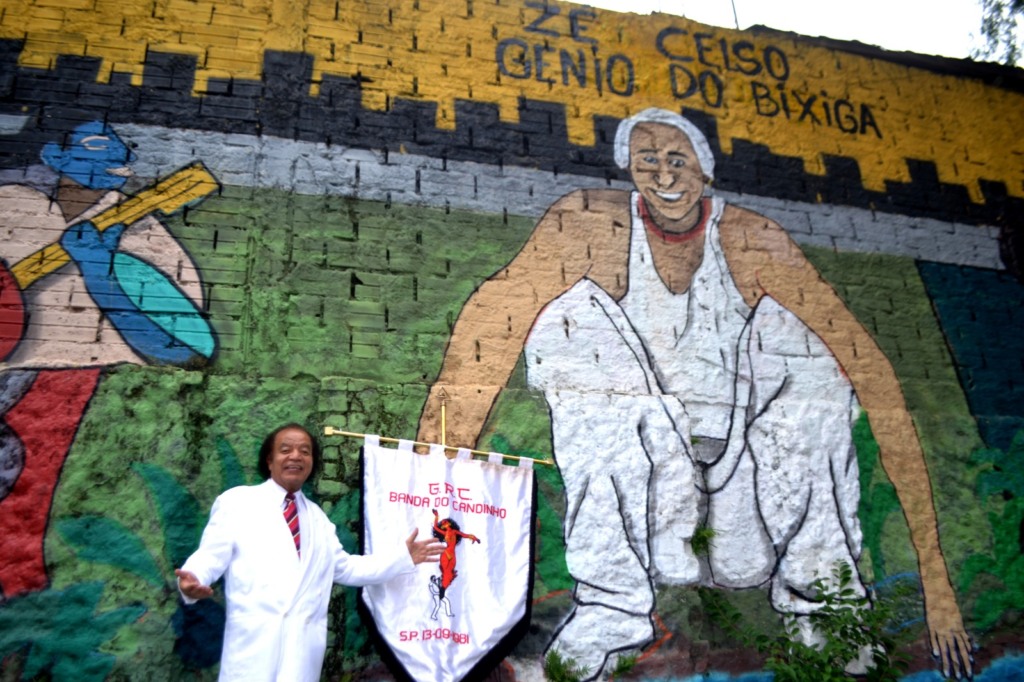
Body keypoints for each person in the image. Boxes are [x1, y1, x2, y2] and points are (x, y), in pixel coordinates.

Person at [416, 108, 972, 679]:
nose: (664, 177)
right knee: (567, 317)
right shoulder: (586, 225)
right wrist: (431, 487)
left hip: (746, 508)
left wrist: (938, 584)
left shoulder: (751, 240)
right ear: (628, 171)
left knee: (805, 343)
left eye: (677, 160)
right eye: (647, 161)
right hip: (653, 498)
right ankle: (610, 607)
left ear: (706, 172)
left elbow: (872, 371)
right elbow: (487, 328)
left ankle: (827, 609)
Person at [0, 120, 214, 597]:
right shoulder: (13, 204)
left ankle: (22, 584)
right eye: (93, 146)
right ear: (55, 156)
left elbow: (185, 346)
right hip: (8, 371)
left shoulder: (142, 233)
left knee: (27, 496)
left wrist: (100, 273)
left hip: (73, 381)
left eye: (116, 151)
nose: (111, 155)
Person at [176, 423, 444, 682]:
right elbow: (210, 556)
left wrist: (402, 558)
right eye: (285, 450)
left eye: (305, 451)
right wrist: (193, 578)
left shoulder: (318, 520)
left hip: (301, 658)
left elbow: (347, 568)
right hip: (252, 652)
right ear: (269, 460)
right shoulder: (237, 503)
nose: (296, 456)